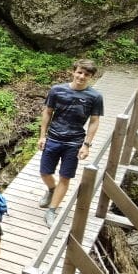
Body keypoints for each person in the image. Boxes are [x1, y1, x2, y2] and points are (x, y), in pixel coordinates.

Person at [38, 59, 104, 228]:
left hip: (74, 142)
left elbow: (94, 121)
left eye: (86, 74)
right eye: (79, 72)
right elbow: (47, 112)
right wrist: (42, 136)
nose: (82, 77)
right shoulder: (57, 90)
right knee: (45, 172)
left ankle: (52, 210)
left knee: (65, 177)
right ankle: (52, 189)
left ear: (91, 77)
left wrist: (87, 145)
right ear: (73, 72)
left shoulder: (95, 96)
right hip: (53, 138)